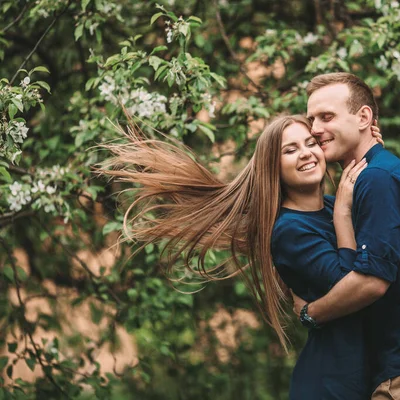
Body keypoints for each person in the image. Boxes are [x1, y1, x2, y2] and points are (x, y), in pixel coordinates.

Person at [99, 114, 382, 399]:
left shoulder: (333, 206)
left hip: (364, 370)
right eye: (290, 149)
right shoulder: (290, 230)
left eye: (311, 143)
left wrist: (367, 150)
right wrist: (343, 214)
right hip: (331, 382)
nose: (306, 153)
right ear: (274, 167)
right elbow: (351, 285)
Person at [290, 72, 400, 400]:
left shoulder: (378, 179)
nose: (315, 129)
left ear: (363, 117)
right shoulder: (373, 176)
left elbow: (372, 281)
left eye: (327, 116)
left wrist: (310, 313)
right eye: (311, 119)